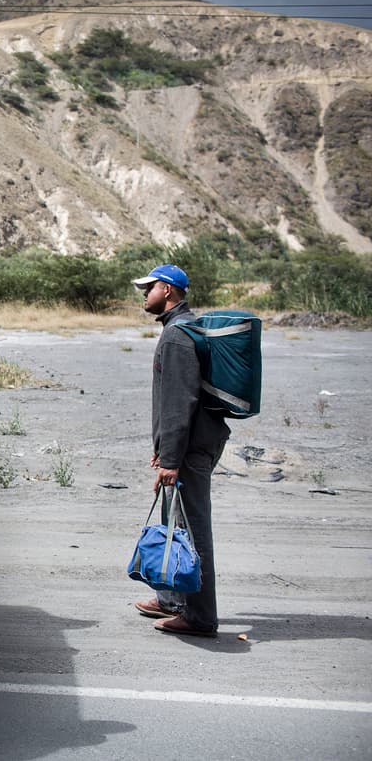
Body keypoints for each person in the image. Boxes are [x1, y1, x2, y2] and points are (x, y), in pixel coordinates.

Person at [131, 264, 231, 638]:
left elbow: (179, 403)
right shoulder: (182, 328)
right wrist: (164, 451)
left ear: (169, 291)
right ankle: (173, 598)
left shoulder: (176, 337)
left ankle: (201, 617)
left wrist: (170, 459)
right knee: (175, 522)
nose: (143, 294)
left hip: (190, 449)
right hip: (189, 444)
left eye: (149, 287)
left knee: (194, 531)